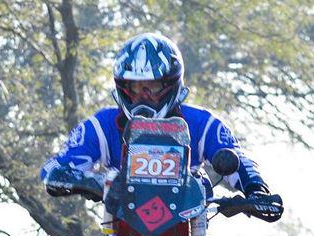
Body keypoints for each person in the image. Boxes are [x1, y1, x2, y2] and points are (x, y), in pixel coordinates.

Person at [39, 32, 283, 225]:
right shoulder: (101, 125)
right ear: (122, 88)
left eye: (152, 88)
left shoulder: (202, 123)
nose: (142, 97)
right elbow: (55, 166)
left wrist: (256, 190)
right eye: (135, 88)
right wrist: (81, 179)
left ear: (171, 85)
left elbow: (237, 157)